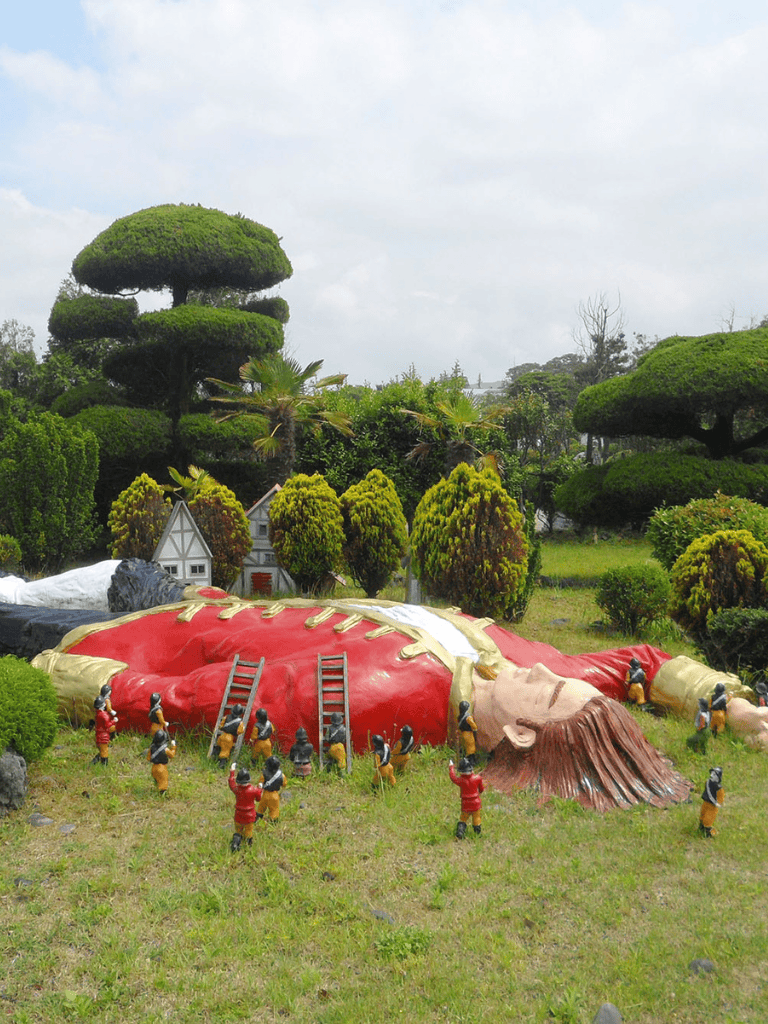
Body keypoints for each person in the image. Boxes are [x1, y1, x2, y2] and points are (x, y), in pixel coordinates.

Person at [35, 596, 693, 811]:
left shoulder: (375, 702)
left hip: (151, 638)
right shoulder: (523, 665)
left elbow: (190, 699)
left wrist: (64, 675)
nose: (542, 669)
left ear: (522, 733)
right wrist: (734, 705)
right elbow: (643, 662)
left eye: (547, 688)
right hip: (212, 603)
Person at [228, 762, 263, 850]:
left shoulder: (237, 789)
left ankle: (237, 841)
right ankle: (248, 842)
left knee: (238, 828)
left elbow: (231, 784)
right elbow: (258, 799)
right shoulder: (254, 790)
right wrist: (260, 788)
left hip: (239, 813)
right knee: (249, 830)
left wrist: (232, 772)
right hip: (250, 814)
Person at [448, 757, 485, 839]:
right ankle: (477, 833)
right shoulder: (477, 778)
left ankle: (460, 832)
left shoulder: (461, 780)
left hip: (466, 803)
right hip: (476, 802)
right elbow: (481, 789)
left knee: (463, 818)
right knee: (477, 817)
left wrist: (451, 767)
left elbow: (453, 777)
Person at [256, 756, 286, 823]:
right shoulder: (282, 775)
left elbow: (260, 784)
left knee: (261, 807)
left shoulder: (264, 774)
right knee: (274, 809)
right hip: (275, 795)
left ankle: (257, 817)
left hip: (265, 794)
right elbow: (284, 784)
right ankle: (273, 821)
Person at [147, 728, 176, 795]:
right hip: (162, 768)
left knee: (157, 780)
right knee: (163, 782)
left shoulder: (152, 748)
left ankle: (157, 789)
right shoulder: (165, 749)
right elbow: (171, 755)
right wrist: (174, 747)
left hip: (154, 768)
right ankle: (162, 795)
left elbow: (148, 758)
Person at [698, 767, 724, 838]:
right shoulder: (708, 782)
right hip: (706, 802)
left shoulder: (718, 787)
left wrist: (718, 803)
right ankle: (701, 827)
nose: (712, 776)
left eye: (714, 774)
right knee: (703, 814)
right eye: (712, 774)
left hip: (712, 805)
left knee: (708, 819)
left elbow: (720, 796)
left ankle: (709, 832)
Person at [92, 695, 112, 765]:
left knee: (102, 750)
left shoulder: (98, 714)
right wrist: (114, 721)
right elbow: (108, 725)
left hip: (99, 735)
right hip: (104, 736)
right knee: (104, 751)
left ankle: (95, 761)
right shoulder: (103, 715)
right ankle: (104, 764)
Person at [457, 700, 478, 765]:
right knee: (471, 748)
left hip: (463, 734)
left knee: (467, 748)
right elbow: (474, 726)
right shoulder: (468, 717)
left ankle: (469, 760)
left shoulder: (459, 717)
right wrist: (475, 730)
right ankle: (471, 762)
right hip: (469, 734)